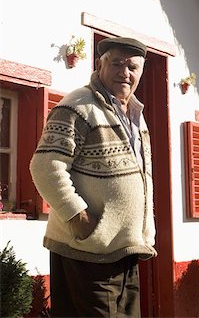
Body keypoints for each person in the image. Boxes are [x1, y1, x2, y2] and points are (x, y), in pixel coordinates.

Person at [30, 36, 156, 318]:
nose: (125, 72)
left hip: (124, 248)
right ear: (100, 64)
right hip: (87, 249)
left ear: (141, 72)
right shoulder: (78, 105)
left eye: (133, 67)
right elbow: (45, 166)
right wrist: (80, 220)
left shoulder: (135, 113)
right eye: (117, 64)